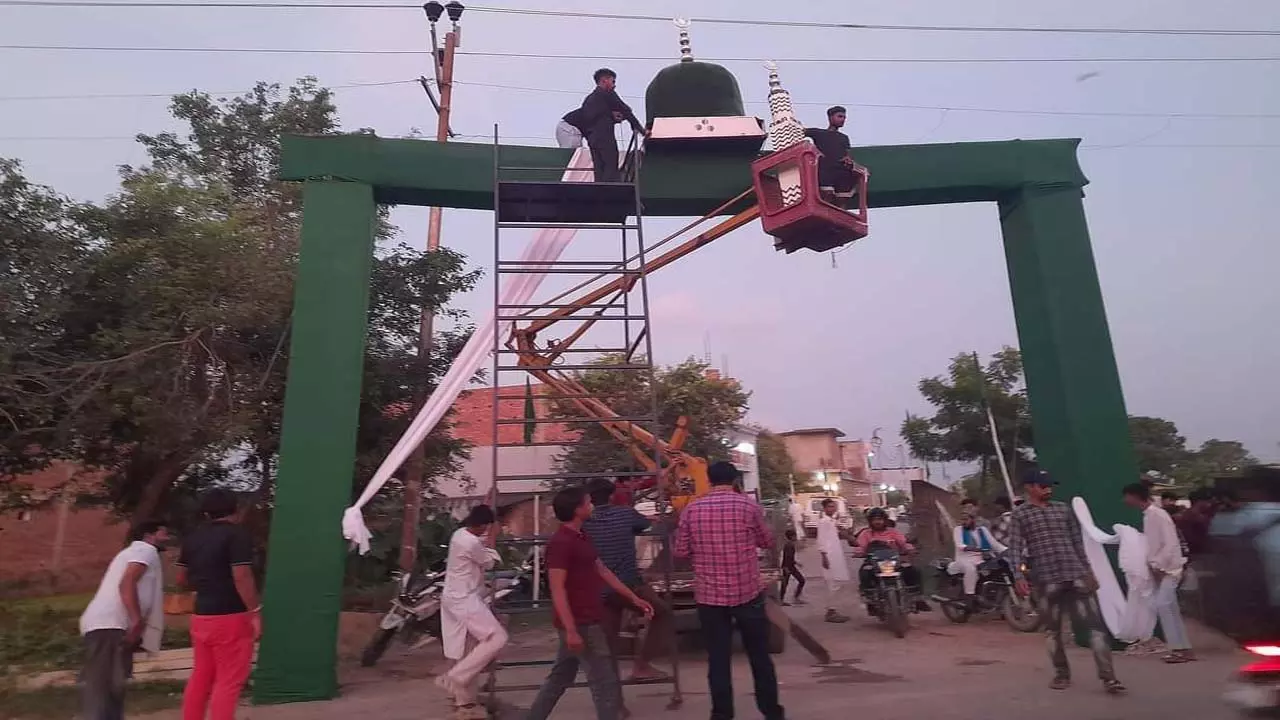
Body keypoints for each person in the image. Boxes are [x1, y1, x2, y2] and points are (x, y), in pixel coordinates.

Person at [527, 487, 654, 720]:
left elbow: (602, 570)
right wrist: (572, 630)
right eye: (588, 502)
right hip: (580, 621)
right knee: (604, 683)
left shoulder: (581, 536)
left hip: (587, 617)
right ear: (578, 509)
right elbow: (557, 589)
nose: (592, 506)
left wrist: (633, 597)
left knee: (561, 677)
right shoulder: (562, 543)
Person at [675, 461, 784, 720]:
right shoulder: (748, 506)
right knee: (759, 656)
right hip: (746, 592)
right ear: (735, 480)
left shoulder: (692, 509)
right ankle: (772, 712)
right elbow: (766, 541)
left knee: (718, 659)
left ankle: (722, 714)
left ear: (709, 480)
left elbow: (680, 552)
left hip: (710, 597)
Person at [1008, 470, 1125, 694]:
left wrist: (1089, 570)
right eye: (1043, 486)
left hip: (1076, 575)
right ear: (1030, 487)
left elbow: (1076, 542)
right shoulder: (1020, 515)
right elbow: (1014, 548)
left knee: (1096, 628)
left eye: (1050, 485)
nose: (1048, 489)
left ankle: (1109, 678)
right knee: (1053, 631)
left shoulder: (1063, 509)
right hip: (1046, 578)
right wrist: (1018, 576)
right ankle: (1062, 674)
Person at [177, 489, 261, 720]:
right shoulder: (237, 536)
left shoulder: (193, 538)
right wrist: (255, 611)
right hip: (231, 616)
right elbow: (241, 575)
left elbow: (181, 578)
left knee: (201, 677)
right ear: (236, 509)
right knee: (229, 681)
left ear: (206, 513)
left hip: (202, 616)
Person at [78, 520, 171, 720]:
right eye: (164, 533)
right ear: (149, 535)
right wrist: (136, 620)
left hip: (111, 625)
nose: (167, 538)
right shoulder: (145, 549)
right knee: (103, 689)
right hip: (110, 624)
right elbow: (127, 582)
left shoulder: (135, 552)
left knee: (114, 686)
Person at [582, 478, 671, 682]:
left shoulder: (585, 521)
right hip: (629, 584)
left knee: (609, 643)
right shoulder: (625, 513)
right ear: (612, 495)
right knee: (662, 613)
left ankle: (616, 704)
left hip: (599, 587)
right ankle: (642, 665)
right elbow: (646, 524)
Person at [436, 504, 507, 720]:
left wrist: (486, 536)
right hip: (464, 599)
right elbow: (489, 562)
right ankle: (455, 677)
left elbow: (479, 545)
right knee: (497, 638)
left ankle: (464, 703)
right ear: (483, 525)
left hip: (452, 597)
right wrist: (492, 538)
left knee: (464, 649)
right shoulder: (471, 542)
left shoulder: (460, 534)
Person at [1121, 482, 1194, 663]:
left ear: (1134, 496)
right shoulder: (1151, 515)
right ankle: (1183, 649)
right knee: (1170, 607)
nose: (1124, 500)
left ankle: (1179, 649)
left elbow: (1170, 543)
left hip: (1170, 568)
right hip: (1165, 567)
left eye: (1126, 496)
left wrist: (1158, 565)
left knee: (1163, 605)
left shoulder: (1157, 515)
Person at [568, 68, 645, 183]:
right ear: (604, 81)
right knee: (611, 163)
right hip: (605, 135)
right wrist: (640, 129)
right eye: (613, 81)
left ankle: (600, 191)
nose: (614, 85)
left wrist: (611, 115)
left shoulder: (589, 100)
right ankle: (610, 190)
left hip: (592, 138)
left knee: (599, 167)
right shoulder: (608, 94)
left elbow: (592, 117)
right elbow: (625, 109)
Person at [854, 508, 930, 611]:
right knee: (864, 572)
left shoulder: (893, 532)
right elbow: (860, 546)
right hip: (873, 562)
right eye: (875, 519)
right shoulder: (866, 534)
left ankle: (917, 598)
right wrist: (858, 552)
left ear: (885, 520)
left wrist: (910, 549)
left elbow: (904, 543)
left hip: (894, 561)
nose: (877, 522)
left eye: (880, 519)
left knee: (913, 570)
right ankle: (869, 598)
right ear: (870, 521)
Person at [949, 510, 1007, 606]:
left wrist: (1008, 550)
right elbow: (960, 545)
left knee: (996, 569)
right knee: (971, 569)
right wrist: (973, 548)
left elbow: (995, 544)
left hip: (979, 559)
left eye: (966, 519)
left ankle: (987, 595)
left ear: (973, 520)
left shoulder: (982, 530)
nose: (964, 522)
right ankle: (969, 596)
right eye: (962, 519)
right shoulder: (958, 530)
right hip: (963, 559)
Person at [804, 106, 856, 207]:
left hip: (841, 171)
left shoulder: (844, 138)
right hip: (825, 170)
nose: (843, 120)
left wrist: (848, 159)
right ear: (830, 117)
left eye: (844, 117)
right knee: (827, 195)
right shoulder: (818, 133)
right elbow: (799, 131)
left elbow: (848, 154)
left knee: (842, 201)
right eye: (840, 116)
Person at [815, 498, 851, 623]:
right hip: (829, 555)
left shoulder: (831, 521)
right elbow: (821, 540)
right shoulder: (823, 521)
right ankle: (831, 611)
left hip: (835, 554)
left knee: (837, 583)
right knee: (832, 584)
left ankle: (833, 609)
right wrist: (824, 556)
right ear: (824, 508)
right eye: (830, 507)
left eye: (833, 506)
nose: (832, 509)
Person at [779, 529, 806, 606]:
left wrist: (796, 563)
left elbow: (789, 558)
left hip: (790, 566)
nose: (796, 537)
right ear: (791, 536)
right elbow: (787, 558)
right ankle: (793, 598)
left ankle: (793, 598)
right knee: (799, 581)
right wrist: (786, 568)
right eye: (795, 536)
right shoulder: (789, 545)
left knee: (787, 583)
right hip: (788, 567)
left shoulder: (789, 544)